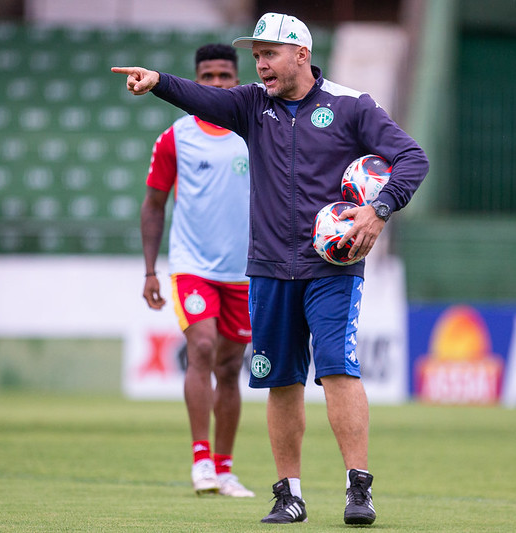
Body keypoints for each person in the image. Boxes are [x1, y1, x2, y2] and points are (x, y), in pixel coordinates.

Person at [114, 12, 429, 525]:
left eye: (269, 54)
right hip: (266, 269)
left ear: (301, 55)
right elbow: (203, 99)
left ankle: (358, 489)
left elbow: (412, 158)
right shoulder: (251, 105)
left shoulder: (351, 105)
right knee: (280, 380)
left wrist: (379, 209)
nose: (259, 64)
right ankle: (289, 494)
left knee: (336, 370)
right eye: (255, 55)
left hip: (331, 267)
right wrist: (157, 83)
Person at [139, 43, 255, 498]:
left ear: (237, 79)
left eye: (225, 76)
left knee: (230, 369)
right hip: (192, 266)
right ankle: (201, 459)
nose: (217, 84)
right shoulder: (176, 137)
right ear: (195, 80)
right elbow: (153, 204)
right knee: (202, 347)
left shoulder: (253, 131)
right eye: (207, 77)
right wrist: (150, 271)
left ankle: (225, 469)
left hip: (246, 272)